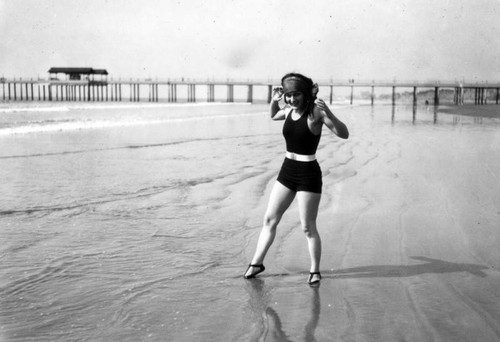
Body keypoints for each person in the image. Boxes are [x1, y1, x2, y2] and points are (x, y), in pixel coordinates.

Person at [244, 73, 349, 285]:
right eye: (288, 95)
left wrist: (329, 112)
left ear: (306, 94)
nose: (292, 99)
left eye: (296, 95)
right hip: (287, 171)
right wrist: (274, 101)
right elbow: (273, 116)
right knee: (269, 219)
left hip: (308, 173)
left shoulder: (315, 113)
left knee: (307, 227)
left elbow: (343, 133)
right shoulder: (289, 110)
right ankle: (257, 263)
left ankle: (315, 270)